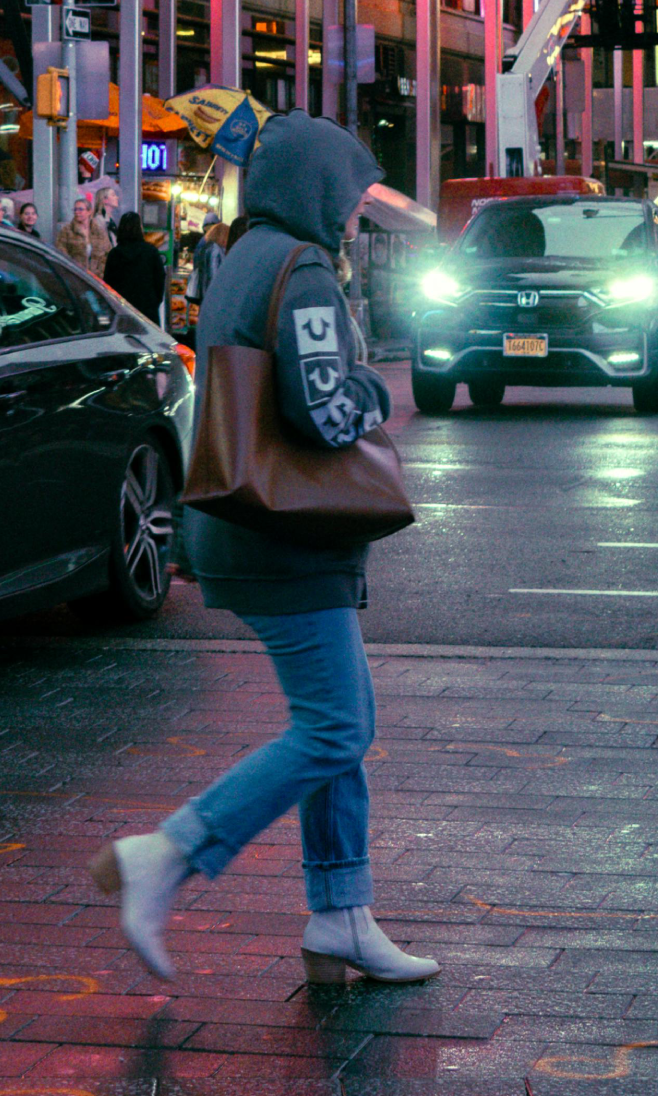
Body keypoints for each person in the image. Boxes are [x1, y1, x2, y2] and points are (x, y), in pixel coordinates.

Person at [88, 110, 439, 989]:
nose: (359, 210)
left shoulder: (245, 256)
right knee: (336, 726)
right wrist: (371, 390)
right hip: (287, 536)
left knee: (338, 729)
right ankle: (167, 854)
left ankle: (340, 916)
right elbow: (325, 410)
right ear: (316, 187)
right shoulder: (303, 267)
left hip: (254, 527)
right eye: (351, 192)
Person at [103, 211, 167, 324]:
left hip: (122, 311)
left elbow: (108, 283)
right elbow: (160, 280)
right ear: (139, 228)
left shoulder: (114, 254)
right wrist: (154, 302)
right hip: (147, 310)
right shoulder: (151, 252)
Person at [56, 196, 112, 276]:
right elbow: (61, 252)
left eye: (80, 209)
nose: (76, 212)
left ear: (89, 212)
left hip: (97, 278)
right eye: (75, 209)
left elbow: (108, 253)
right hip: (75, 276)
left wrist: (100, 271)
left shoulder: (99, 232)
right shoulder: (67, 231)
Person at [189, 219, 230, 307]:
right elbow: (213, 275)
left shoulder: (206, 248)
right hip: (212, 300)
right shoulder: (216, 250)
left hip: (204, 297)